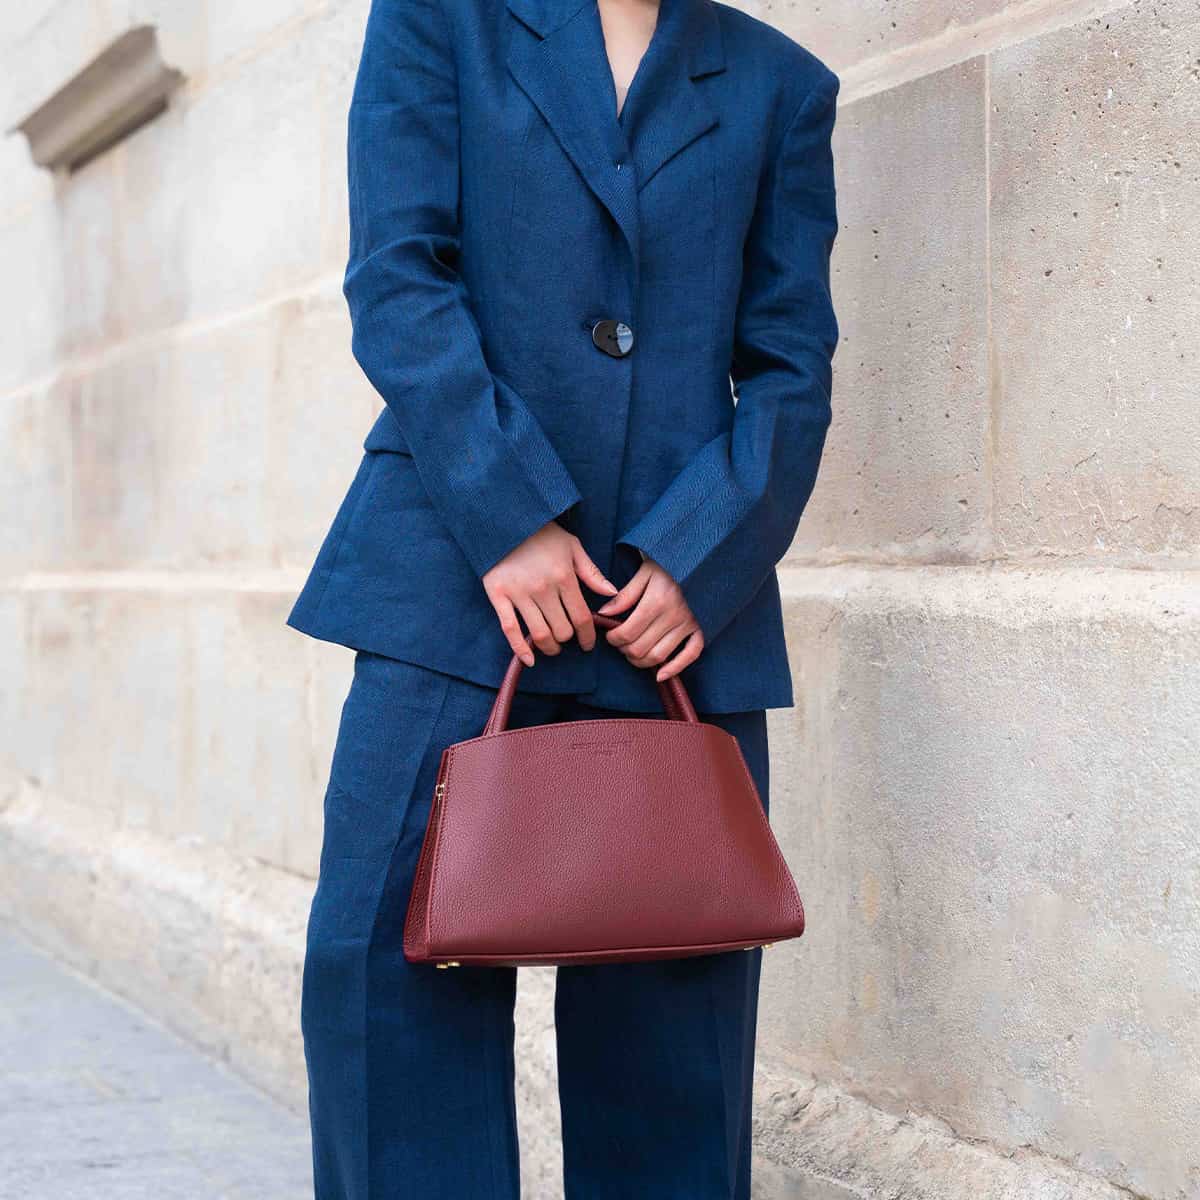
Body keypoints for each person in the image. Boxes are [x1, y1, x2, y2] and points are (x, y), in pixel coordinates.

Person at [286, 0, 840, 1193]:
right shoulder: (440, 22)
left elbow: (792, 362)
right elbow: (398, 277)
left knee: (677, 1044)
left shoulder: (782, 84)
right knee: (386, 990)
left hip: (673, 626)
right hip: (453, 589)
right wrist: (509, 512)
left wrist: (703, 557)